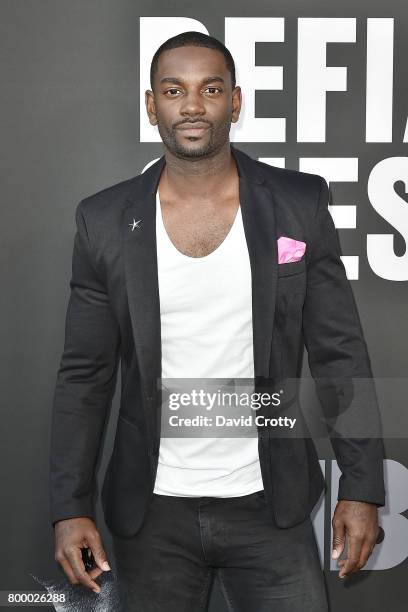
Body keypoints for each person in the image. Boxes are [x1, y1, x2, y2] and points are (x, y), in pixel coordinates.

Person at [50, 31, 385, 611]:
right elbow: (85, 375)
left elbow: (339, 354)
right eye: (174, 90)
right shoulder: (103, 220)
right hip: (151, 510)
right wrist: (69, 505)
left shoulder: (297, 203)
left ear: (235, 101)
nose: (193, 105)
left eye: (210, 89)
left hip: (270, 503)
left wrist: (360, 487)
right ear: (152, 104)